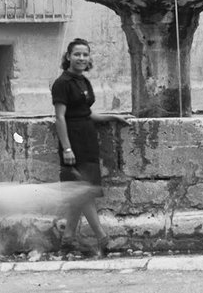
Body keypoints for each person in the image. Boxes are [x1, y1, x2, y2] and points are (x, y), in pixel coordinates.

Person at [52, 38, 129, 256]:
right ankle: (103, 239)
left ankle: (67, 240)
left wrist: (111, 116)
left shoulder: (83, 81)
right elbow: (60, 117)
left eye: (85, 55)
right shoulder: (62, 83)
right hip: (73, 142)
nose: (81, 58)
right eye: (77, 54)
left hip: (88, 141)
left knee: (80, 194)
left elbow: (86, 113)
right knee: (83, 193)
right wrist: (67, 148)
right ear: (68, 56)